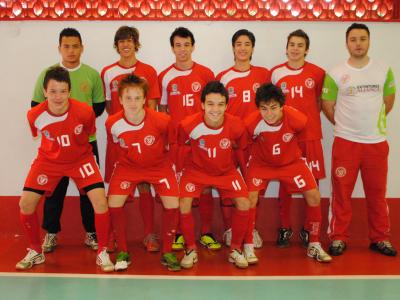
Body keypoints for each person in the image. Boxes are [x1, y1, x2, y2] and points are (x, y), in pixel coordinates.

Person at [16, 67, 113, 272]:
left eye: (62, 91)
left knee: (100, 201)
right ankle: (35, 250)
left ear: (69, 91)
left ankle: (102, 251)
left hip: (81, 159)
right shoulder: (35, 115)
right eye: (53, 91)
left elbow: (89, 134)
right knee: (26, 203)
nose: (58, 96)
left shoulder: (85, 111)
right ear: (44, 92)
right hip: (48, 161)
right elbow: (40, 136)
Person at [322, 23, 397, 257]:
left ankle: (380, 238)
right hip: (346, 143)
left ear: (369, 41)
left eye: (362, 39)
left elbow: (388, 102)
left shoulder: (384, 70)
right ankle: (338, 238)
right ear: (347, 43)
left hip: (376, 144)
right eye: (353, 39)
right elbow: (328, 107)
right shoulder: (335, 73)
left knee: (377, 194)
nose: (358, 43)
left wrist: (369, 126)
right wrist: (347, 126)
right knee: (341, 195)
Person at [31, 28, 105, 253]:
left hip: (85, 143)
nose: (71, 51)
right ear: (59, 48)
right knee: (53, 191)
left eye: (75, 46)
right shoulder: (48, 73)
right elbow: (36, 105)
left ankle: (92, 233)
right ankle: (51, 234)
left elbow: (99, 106)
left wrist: (77, 124)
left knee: (89, 192)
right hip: (54, 146)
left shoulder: (92, 74)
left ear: (82, 48)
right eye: (66, 46)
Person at [245, 83, 332, 263]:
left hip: (291, 162)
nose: (269, 113)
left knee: (314, 195)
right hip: (262, 164)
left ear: (282, 105)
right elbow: (246, 144)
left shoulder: (297, 119)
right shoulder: (252, 123)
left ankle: (314, 243)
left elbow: (301, 138)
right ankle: (248, 245)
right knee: (250, 198)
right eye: (264, 108)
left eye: (273, 108)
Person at [106, 74, 181, 271]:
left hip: (159, 166)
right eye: (128, 98)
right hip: (128, 167)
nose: (133, 102)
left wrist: (170, 165)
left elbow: (172, 143)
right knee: (113, 202)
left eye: (137, 98)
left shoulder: (162, 120)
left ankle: (168, 252)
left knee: (173, 203)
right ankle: (123, 251)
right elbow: (115, 147)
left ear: (145, 99)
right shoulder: (112, 123)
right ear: (120, 99)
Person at [177, 81, 250, 269]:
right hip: (196, 171)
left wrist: (244, 174)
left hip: (226, 171)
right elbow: (181, 149)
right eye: (210, 104)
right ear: (202, 104)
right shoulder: (188, 125)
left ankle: (235, 249)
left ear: (227, 105)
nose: (215, 109)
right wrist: (180, 173)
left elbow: (241, 148)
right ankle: (190, 249)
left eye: (220, 104)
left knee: (244, 202)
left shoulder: (236, 125)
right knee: (183, 202)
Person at [158, 27, 219, 251]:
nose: (182, 49)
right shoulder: (164, 76)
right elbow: (162, 110)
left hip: (202, 141)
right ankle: (181, 233)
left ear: (193, 46)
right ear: (172, 48)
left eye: (186, 45)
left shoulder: (205, 74)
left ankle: (206, 232)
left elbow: (215, 107)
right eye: (178, 45)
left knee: (204, 187)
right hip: (177, 143)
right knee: (180, 188)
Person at [101, 26, 161, 252]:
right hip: (120, 140)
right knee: (119, 188)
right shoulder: (107, 72)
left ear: (137, 44)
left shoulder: (149, 71)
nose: (126, 45)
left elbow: (153, 107)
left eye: (130, 41)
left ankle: (149, 235)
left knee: (145, 186)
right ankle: (114, 237)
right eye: (121, 41)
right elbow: (109, 106)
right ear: (116, 45)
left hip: (145, 142)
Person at [271, 29, 326, 248]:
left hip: (310, 137)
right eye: (291, 44)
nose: (295, 48)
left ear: (307, 49)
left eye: (300, 45)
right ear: (286, 48)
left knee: (311, 185)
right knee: (286, 183)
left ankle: (308, 229)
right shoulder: (276, 74)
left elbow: (320, 103)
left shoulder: (318, 73)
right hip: (285, 138)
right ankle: (285, 227)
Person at [216, 29, 270, 249]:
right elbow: (217, 110)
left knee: (252, 188)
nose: (243, 48)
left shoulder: (264, 75)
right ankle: (230, 229)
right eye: (238, 44)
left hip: (255, 141)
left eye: (247, 44)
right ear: (233, 47)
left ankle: (250, 228)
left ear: (252, 48)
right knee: (228, 185)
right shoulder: (223, 77)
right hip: (230, 142)